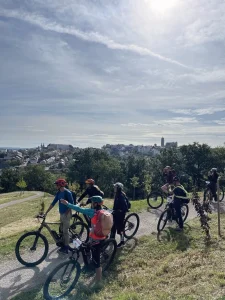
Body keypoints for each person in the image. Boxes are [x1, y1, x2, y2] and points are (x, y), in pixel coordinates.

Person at [60, 195, 109, 284]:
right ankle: (88, 265)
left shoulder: (92, 212)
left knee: (96, 262)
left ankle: (98, 282)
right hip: (101, 237)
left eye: (92, 202)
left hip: (96, 240)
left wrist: (67, 204)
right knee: (86, 248)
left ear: (95, 203)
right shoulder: (104, 211)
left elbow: (79, 210)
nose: (91, 204)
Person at [44, 178, 74, 254]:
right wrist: (46, 212)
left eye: (56, 184)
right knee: (61, 229)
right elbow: (53, 203)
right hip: (61, 214)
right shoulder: (58, 193)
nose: (55, 186)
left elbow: (72, 203)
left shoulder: (67, 193)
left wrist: (67, 211)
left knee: (65, 231)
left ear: (60, 185)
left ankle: (66, 247)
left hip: (67, 214)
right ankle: (64, 243)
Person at [111, 182, 129, 248]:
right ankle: (111, 238)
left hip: (121, 214)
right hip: (116, 212)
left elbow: (125, 207)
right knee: (113, 225)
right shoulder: (117, 194)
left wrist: (119, 210)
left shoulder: (121, 196)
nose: (114, 188)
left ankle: (122, 241)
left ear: (118, 188)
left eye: (115, 187)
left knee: (120, 228)